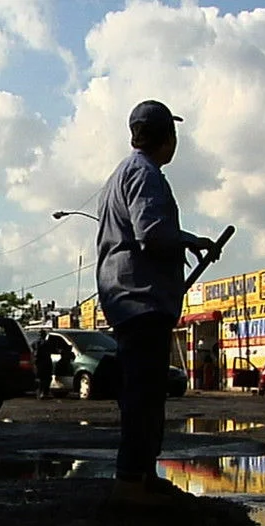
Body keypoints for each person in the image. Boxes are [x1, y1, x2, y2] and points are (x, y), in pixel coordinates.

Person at [96, 99, 214, 505]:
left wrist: (188, 241)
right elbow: (152, 233)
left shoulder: (121, 175)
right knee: (144, 395)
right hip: (141, 300)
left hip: (127, 297)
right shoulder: (145, 175)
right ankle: (131, 483)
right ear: (168, 137)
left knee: (144, 392)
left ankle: (143, 476)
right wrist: (189, 240)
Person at [32, 329, 67, 399]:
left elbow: (33, 350)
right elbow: (54, 350)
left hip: (38, 362)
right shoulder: (47, 343)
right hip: (46, 361)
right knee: (46, 378)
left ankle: (40, 392)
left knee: (40, 378)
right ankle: (44, 392)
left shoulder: (35, 343)